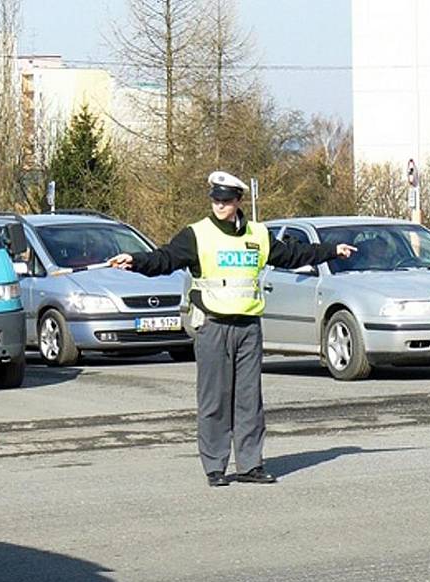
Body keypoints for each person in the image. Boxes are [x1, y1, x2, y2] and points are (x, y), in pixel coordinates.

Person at [109, 171, 356, 487]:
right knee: (214, 398)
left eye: (226, 200)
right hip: (213, 325)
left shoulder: (258, 235)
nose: (220, 205)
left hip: (248, 327)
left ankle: (250, 464)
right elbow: (164, 259)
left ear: (239, 201)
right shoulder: (196, 234)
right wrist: (135, 260)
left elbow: (293, 255)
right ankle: (215, 467)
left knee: (249, 398)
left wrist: (331, 250)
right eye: (215, 199)